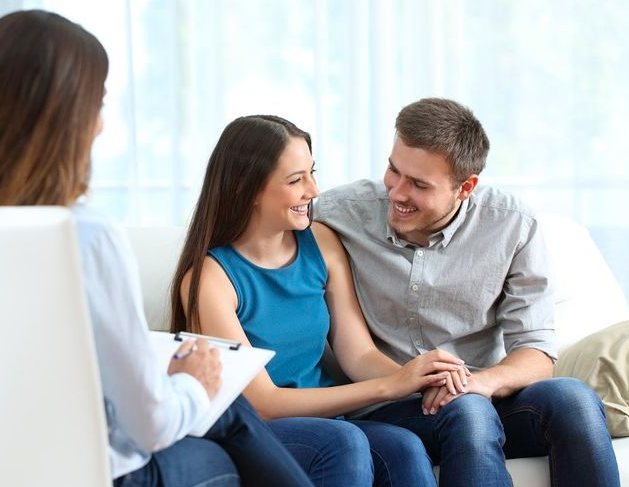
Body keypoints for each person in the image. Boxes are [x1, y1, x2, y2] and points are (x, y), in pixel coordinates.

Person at [0, 10, 314, 487]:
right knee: (226, 413)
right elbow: (150, 426)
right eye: (97, 105)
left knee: (228, 412)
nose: (101, 126)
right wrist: (193, 383)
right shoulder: (84, 237)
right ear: (69, 120)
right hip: (96, 474)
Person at [314, 97, 620, 487]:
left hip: (482, 397)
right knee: (469, 411)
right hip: (391, 405)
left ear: (466, 187)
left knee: (574, 399)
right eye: (393, 170)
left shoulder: (513, 226)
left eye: (419, 184)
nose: (397, 192)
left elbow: (536, 352)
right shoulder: (339, 212)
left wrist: (479, 383)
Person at [170, 114, 472, 486]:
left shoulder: (322, 242)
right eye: (296, 180)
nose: (313, 190)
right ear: (249, 189)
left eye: (312, 173)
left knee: (404, 446)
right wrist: (391, 386)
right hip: (253, 429)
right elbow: (264, 402)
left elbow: (358, 354)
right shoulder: (210, 279)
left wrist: (421, 375)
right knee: (342, 441)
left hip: (327, 421)